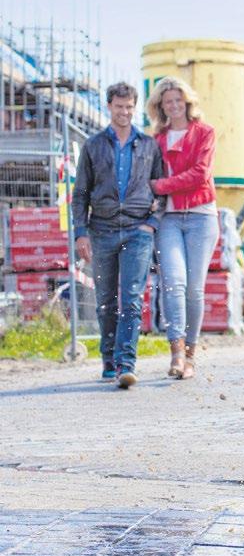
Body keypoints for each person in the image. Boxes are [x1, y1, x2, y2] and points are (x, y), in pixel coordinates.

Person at [72, 82, 165, 388]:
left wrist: (152, 221)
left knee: (132, 298)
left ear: (134, 108)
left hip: (138, 230)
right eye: (119, 106)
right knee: (105, 300)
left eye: (129, 107)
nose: (124, 112)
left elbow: (161, 188)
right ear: (109, 106)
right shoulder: (93, 145)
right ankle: (109, 361)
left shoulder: (148, 146)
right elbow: (81, 193)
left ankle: (127, 362)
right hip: (102, 230)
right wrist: (81, 233)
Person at [145, 77, 219, 380]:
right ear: (161, 107)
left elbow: (200, 174)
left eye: (178, 100)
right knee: (173, 283)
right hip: (170, 219)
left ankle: (191, 356)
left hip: (201, 216)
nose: (174, 106)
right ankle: (175, 354)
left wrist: (160, 185)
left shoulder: (205, 133)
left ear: (187, 102)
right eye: (167, 102)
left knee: (193, 288)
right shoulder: (156, 140)